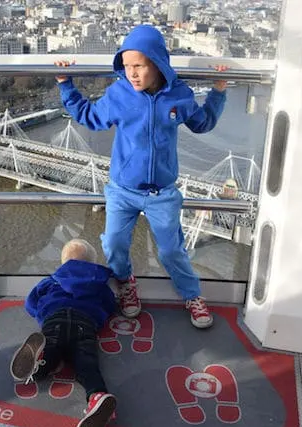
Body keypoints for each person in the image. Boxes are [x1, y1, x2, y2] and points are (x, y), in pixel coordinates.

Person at [54, 25, 229, 328]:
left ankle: (192, 294)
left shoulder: (179, 95)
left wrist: (219, 92)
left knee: (172, 249)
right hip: (122, 188)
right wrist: (66, 85)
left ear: (157, 63)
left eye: (139, 65)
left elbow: (202, 124)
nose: (132, 73)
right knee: (113, 244)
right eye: (126, 66)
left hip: (162, 191)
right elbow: (90, 117)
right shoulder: (120, 94)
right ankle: (126, 283)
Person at [10, 239, 117, 427]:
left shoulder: (53, 279)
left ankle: (40, 358)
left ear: (63, 262)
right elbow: (110, 305)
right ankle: (97, 396)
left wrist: (40, 314)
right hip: (85, 324)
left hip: (55, 319)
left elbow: (31, 302)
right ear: (92, 263)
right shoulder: (99, 283)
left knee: (51, 350)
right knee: (87, 366)